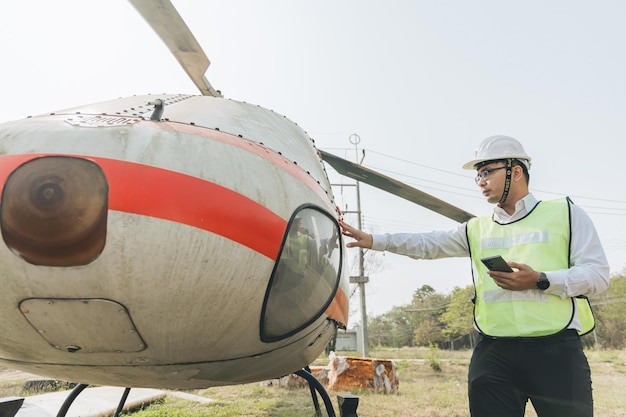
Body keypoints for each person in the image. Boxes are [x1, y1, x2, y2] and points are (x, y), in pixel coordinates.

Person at [339, 135, 610, 417]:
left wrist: (540, 279)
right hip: (494, 353)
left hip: (555, 351)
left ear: (515, 171)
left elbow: (597, 276)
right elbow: (427, 244)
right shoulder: (476, 229)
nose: (480, 180)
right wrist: (373, 240)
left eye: (486, 171)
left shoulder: (566, 214)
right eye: (477, 175)